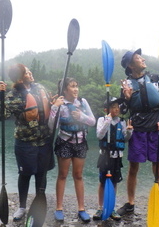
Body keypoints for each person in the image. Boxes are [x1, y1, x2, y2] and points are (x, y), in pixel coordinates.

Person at [117, 49, 159, 227]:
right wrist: (125, 99)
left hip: (156, 128)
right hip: (137, 129)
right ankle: (131, 204)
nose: (143, 59)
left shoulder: (156, 78)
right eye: (138, 58)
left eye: (141, 57)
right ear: (131, 65)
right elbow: (122, 111)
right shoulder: (126, 84)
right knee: (133, 168)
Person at [0, 63, 55, 221]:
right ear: (21, 78)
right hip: (25, 142)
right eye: (27, 73)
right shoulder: (13, 95)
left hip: (43, 140)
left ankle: (38, 203)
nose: (31, 74)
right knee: (25, 174)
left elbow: (49, 106)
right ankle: (22, 207)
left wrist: (55, 102)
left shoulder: (39, 88)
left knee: (41, 174)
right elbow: (2, 116)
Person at [48, 77, 96, 223]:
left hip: (80, 142)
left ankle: (82, 209)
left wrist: (81, 117)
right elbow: (52, 127)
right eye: (72, 86)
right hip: (65, 142)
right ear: (64, 90)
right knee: (62, 175)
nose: (75, 89)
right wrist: (55, 107)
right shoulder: (60, 104)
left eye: (76, 86)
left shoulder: (82, 102)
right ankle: (59, 208)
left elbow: (93, 121)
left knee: (78, 175)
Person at [93, 97, 133, 221]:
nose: (116, 109)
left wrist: (129, 132)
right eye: (113, 107)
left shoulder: (122, 122)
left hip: (116, 157)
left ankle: (111, 208)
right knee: (103, 182)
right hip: (105, 156)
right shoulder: (102, 119)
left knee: (114, 182)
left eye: (117, 107)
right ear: (107, 109)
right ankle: (100, 207)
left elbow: (125, 139)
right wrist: (107, 121)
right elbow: (99, 135)